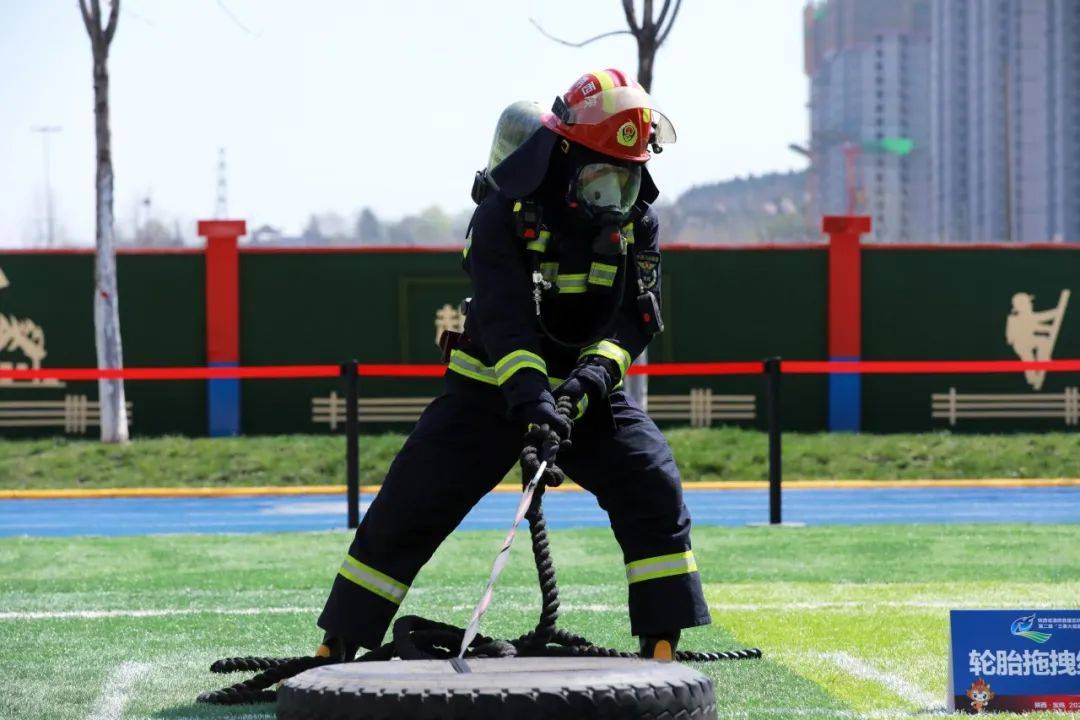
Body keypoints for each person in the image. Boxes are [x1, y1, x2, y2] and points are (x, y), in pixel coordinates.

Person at [316, 69, 710, 662]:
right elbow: (503, 321)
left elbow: (638, 321)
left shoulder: (638, 223)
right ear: (569, 157)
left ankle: (660, 643)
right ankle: (340, 642)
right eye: (604, 179)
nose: (617, 200)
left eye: (629, 181)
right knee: (411, 501)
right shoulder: (503, 214)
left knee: (651, 481)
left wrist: (589, 382)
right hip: (489, 392)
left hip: (582, 400)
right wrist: (532, 402)